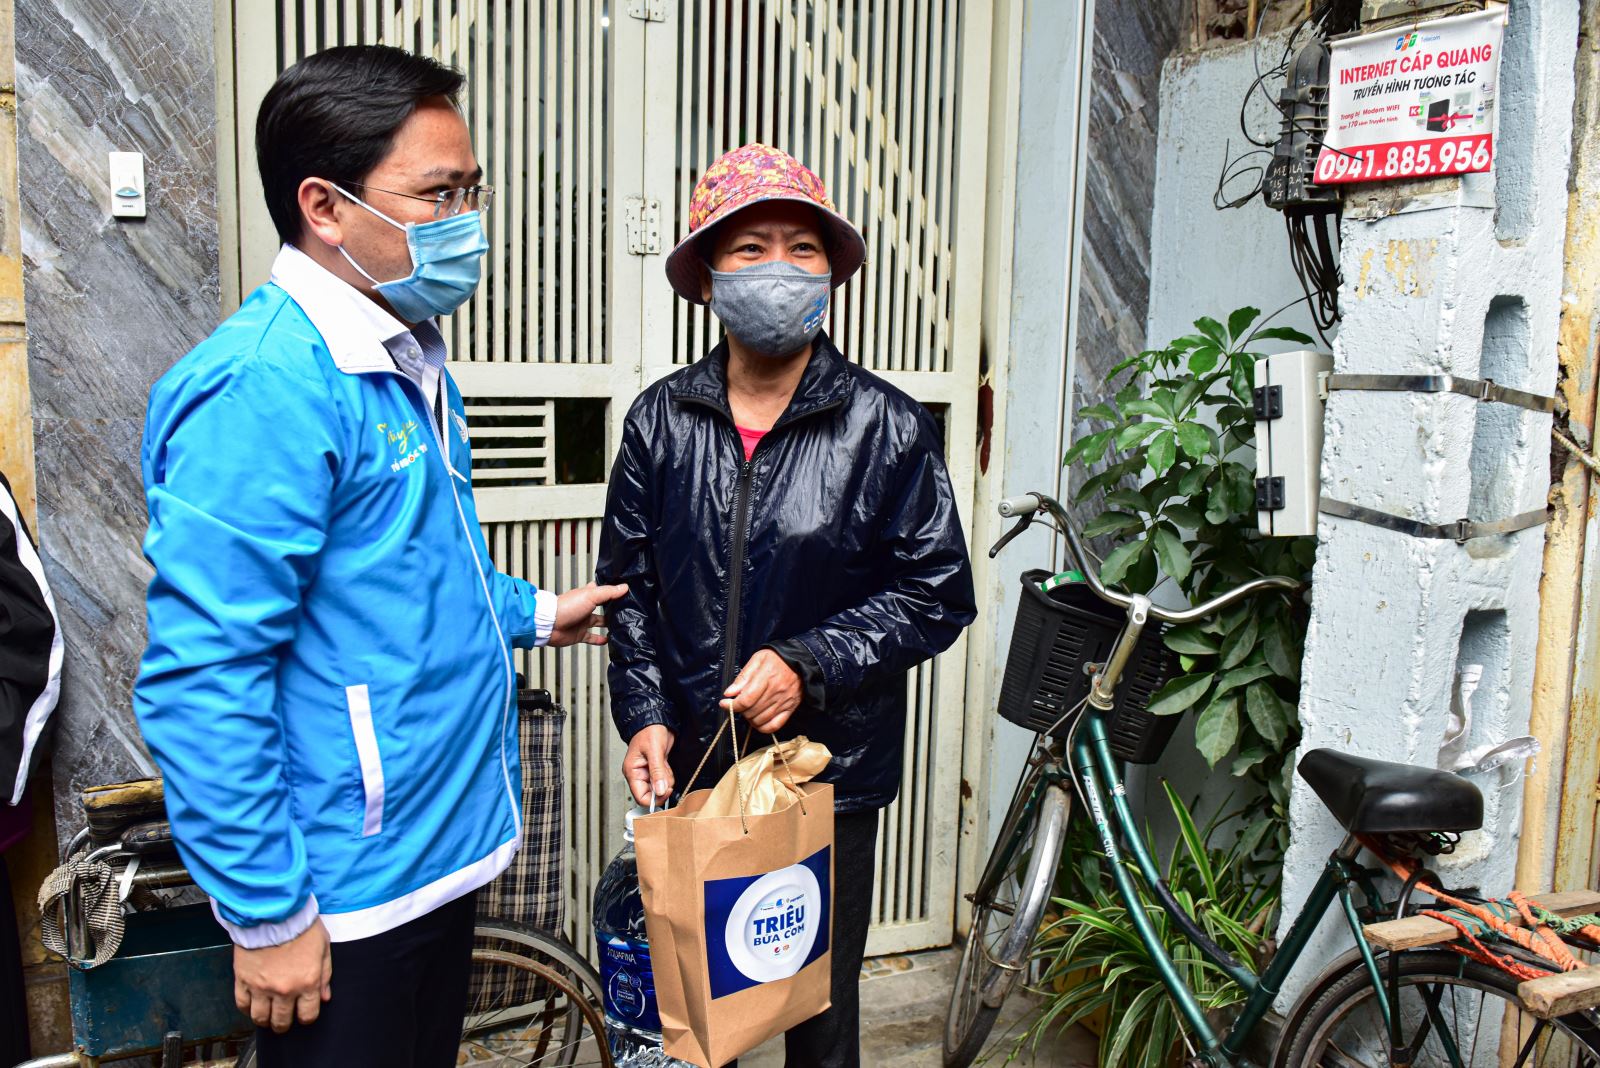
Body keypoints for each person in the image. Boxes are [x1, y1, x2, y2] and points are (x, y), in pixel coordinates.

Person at [132, 46, 624, 1067]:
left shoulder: (399, 352)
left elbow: (410, 570)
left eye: (470, 188)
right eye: (438, 193)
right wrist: (269, 918)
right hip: (342, 896)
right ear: (324, 206)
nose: (466, 220)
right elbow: (202, 678)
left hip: (431, 858)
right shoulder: (265, 388)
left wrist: (534, 612)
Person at [596, 143, 976, 1066]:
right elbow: (631, 589)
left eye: (802, 249)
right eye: (750, 248)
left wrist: (808, 661)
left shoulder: (885, 424)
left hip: (825, 774)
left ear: (831, 274)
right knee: (695, 1002)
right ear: (707, 277)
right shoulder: (659, 419)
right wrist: (644, 716)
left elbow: (937, 591)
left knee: (813, 1006)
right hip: (695, 762)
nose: (777, 269)